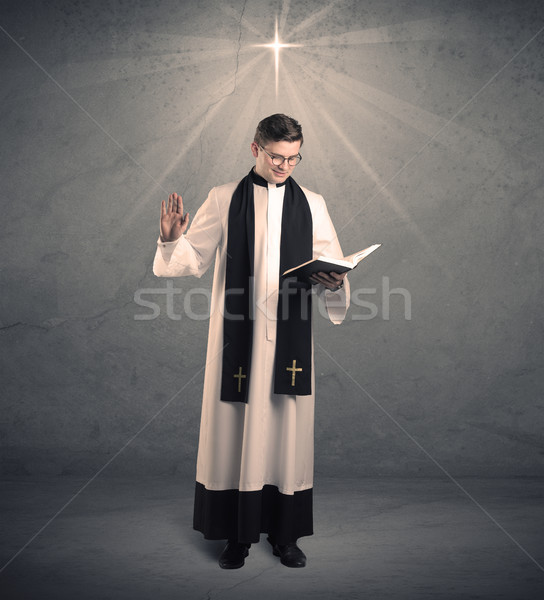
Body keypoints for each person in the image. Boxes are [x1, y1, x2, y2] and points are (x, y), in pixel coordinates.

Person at [153, 114, 350, 569]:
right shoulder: (224, 198)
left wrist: (335, 283)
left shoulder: (313, 203)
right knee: (233, 430)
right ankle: (236, 537)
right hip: (237, 339)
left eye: (294, 157)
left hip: (289, 340)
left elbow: (333, 264)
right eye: (277, 156)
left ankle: (285, 536)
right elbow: (192, 259)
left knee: (287, 434)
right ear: (255, 149)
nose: (285, 166)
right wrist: (169, 242)